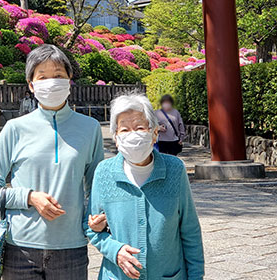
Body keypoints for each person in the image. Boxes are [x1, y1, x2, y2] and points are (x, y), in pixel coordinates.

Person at [0, 44, 105, 279]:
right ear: (31, 84)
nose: (51, 82)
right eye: (43, 76)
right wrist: (29, 197)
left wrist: (98, 219)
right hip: (20, 249)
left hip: (72, 248)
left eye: (58, 75)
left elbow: (97, 188)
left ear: (69, 80)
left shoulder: (90, 128)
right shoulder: (14, 129)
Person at [87, 94, 204, 280]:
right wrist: (115, 251)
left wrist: (196, 276)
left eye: (140, 128)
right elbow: (90, 227)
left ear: (154, 133)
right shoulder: (104, 172)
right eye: (124, 129)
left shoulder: (175, 169)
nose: (133, 135)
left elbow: (189, 230)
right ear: (116, 138)